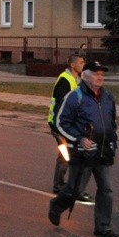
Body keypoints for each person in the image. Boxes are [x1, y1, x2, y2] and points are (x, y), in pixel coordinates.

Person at [49, 61, 119, 237]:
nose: (100, 77)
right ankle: (57, 206)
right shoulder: (75, 97)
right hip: (83, 154)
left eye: (102, 74)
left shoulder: (108, 97)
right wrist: (79, 139)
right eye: (96, 73)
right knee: (74, 189)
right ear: (86, 76)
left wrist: (113, 142)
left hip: (103, 152)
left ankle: (103, 227)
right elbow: (60, 123)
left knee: (106, 190)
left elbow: (112, 124)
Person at [47, 54, 92, 201]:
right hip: (59, 124)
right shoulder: (64, 81)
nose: (83, 64)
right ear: (72, 65)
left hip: (69, 125)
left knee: (70, 153)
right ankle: (59, 185)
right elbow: (62, 106)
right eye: (80, 62)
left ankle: (64, 184)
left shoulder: (76, 80)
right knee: (66, 154)